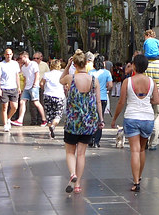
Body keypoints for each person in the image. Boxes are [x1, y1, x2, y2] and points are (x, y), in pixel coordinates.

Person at [109, 53, 158, 192]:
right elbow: (157, 100)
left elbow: (121, 101)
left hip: (131, 117)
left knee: (134, 151)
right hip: (147, 118)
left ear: (134, 66)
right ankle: (140, 176)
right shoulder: (151, 82)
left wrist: (114, 119)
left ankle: (136, 181)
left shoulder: (127, 82)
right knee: (142, 149)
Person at [60, 50, 104, 195]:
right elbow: (98, 101)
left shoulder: (70, 78)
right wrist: (101, 119)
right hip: (88, 122)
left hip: (73, 122)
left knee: (70, 152)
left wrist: (67, 66)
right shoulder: (94, 80)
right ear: (86, 63)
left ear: (75, 64)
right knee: (81, 154)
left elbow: (61, 80)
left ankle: (72, 174)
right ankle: (77, 184)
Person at [88, 55, 113, 146]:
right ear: (103, 63)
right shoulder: (107, 73)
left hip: (92, 97)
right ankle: (97, 141)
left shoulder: (90, 73)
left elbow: (88, 85)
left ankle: (90, 138)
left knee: (91, 118)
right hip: (102, 97)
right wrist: (106, 89)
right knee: (100, 118)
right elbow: (110, 85)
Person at [17, 51, 46, 126]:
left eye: (21, 58)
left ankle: (44, 119)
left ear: (25, 57)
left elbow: (37, 74)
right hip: (27, 87)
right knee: (22, 102)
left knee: (36, 103)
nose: (20, 60)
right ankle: (20, 120)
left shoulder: (33, 64)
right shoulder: (23, 67)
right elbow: (25, 77)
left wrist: (35, 83)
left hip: (33, 87)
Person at [0, 49, 21, 131]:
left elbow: (17, 76)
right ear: (4, 55)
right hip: (4, 87)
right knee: (4, 107)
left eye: (10, 54)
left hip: (13, 88)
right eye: (7, 54)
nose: (8, 56)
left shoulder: (15, 64)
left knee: (14, 106)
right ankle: (5, 124)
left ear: (12, 55)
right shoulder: (1, 65)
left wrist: (19, 87)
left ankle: (8, 118)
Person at [40, 59, 65, 139]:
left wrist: (45, 88)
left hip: (48, 95)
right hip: (59, 96)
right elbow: (66, 85)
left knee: (49, 115)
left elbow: (41, 83)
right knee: (58, 114)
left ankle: (50, 131)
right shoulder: (62, 74)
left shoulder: (47, 74)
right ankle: (53, 126)